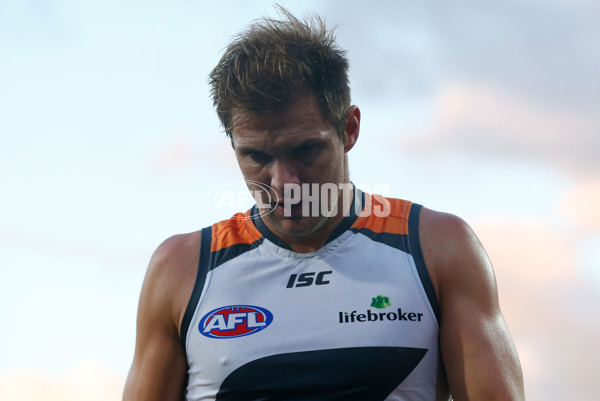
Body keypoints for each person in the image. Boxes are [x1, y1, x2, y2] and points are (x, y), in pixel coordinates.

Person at [123, 7, 524, 401]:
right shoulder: (181, 269)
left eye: (305, 149)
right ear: (232, 145)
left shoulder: (439, 247)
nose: (284, 183)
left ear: (349, 129)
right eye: (257, 156)